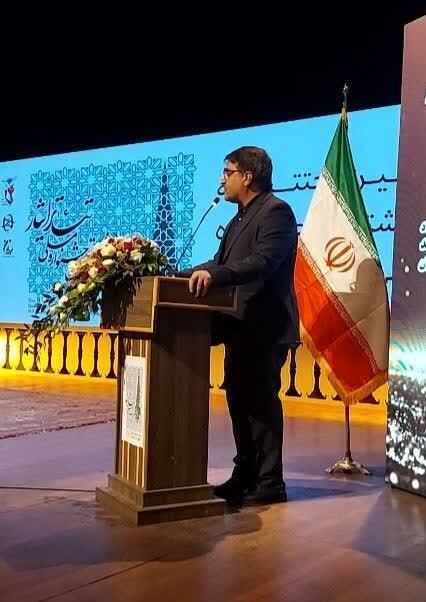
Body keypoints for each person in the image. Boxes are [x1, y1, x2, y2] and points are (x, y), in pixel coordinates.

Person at [178, 146, 299, 505]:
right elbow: (218, 262)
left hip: (265, 327)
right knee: (239, 402)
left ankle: (269, 482)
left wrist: (215, 276)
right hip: (239, 326)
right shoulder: (238, 219)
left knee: (259, 405)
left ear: (247, 176)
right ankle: (245, 474)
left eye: (227, 172)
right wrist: (173, 275)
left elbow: (262, 262)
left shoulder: (276, 212)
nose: (221, 179)